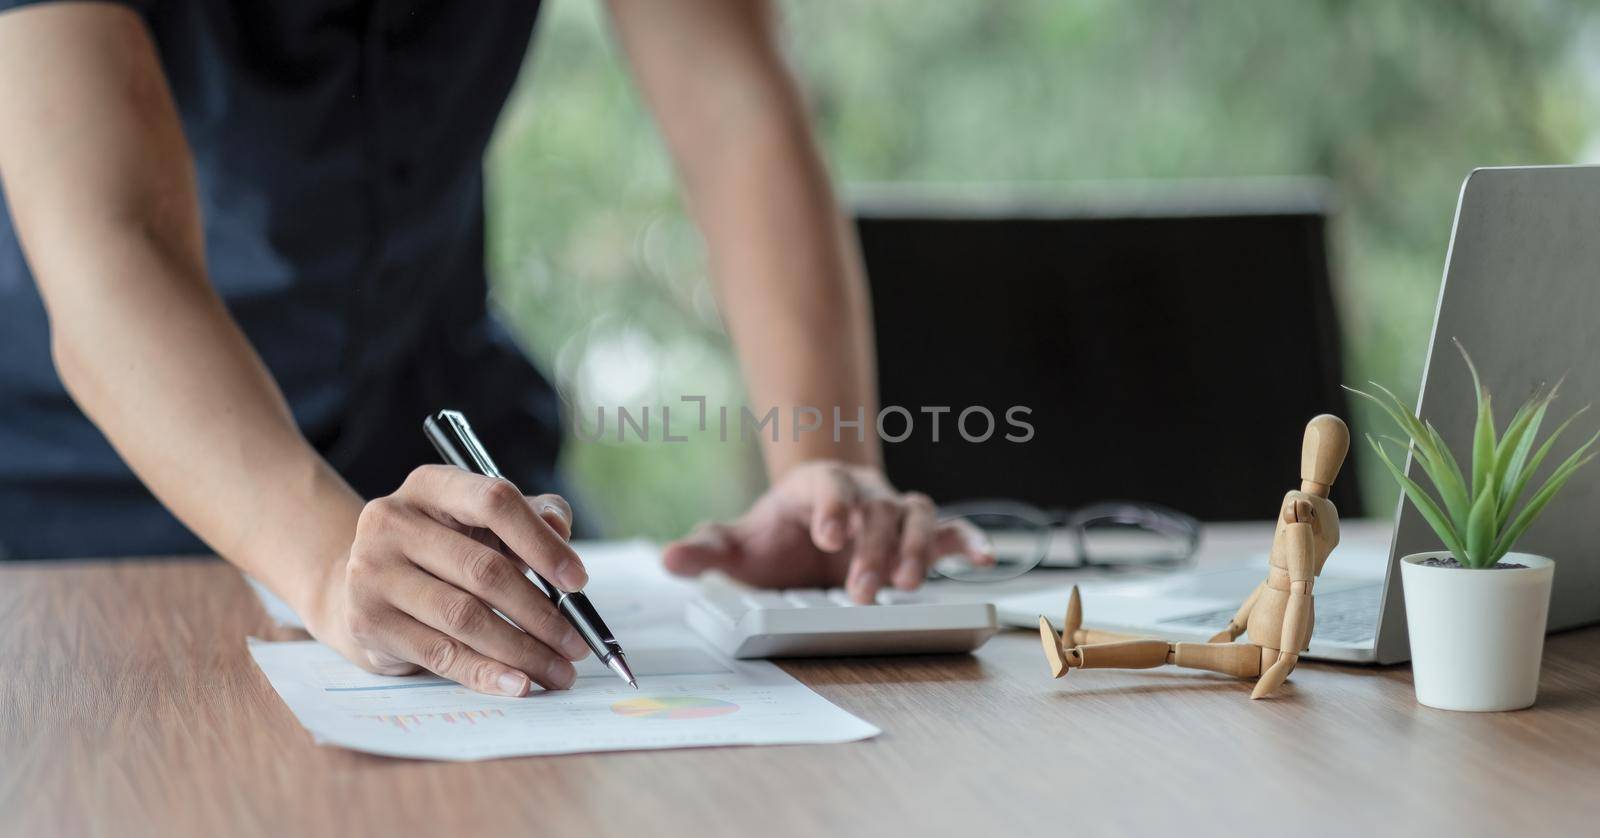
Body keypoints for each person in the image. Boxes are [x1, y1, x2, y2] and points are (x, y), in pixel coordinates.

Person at [0, 0, 987, 697]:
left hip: (437, 431)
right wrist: (330, 566)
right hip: (82, 498)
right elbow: (112, 243)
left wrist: (820, 462)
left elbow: (734, 110)